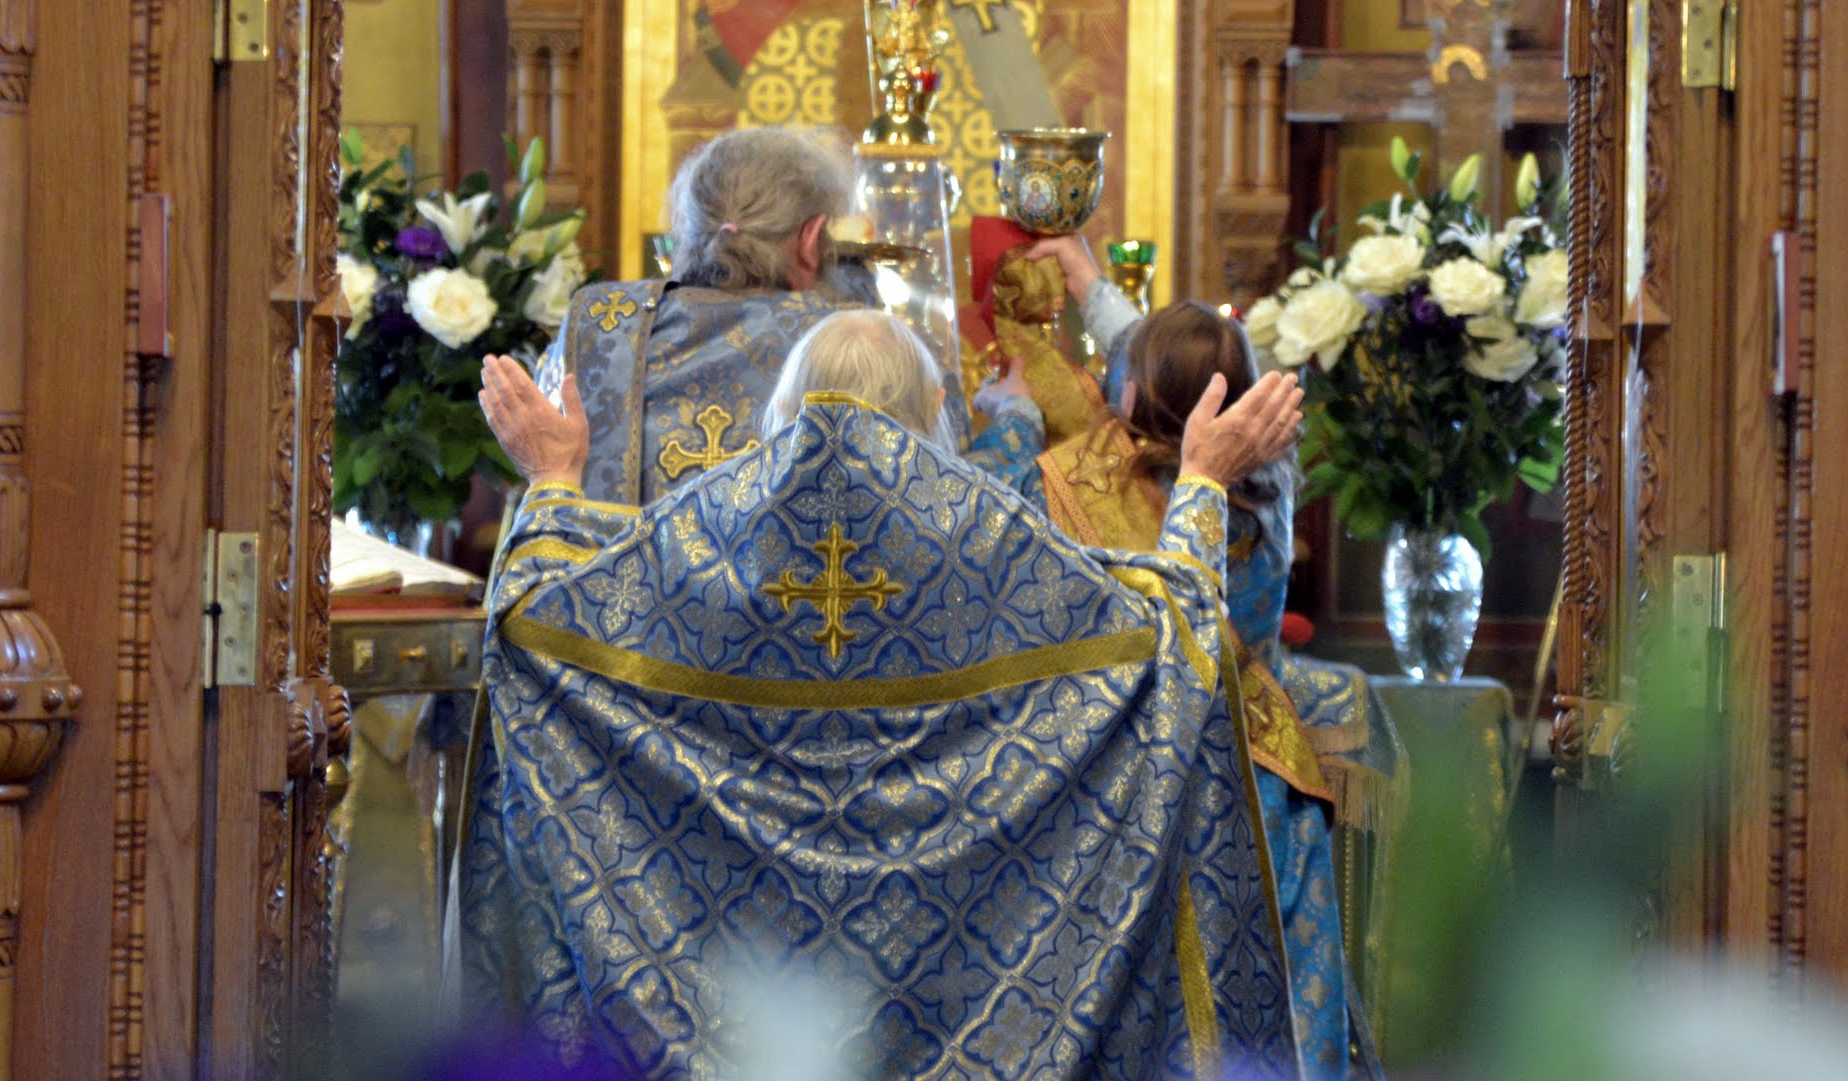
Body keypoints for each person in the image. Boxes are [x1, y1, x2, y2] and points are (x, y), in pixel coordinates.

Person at [461, 310, 1309, 1078]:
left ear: (780, 406)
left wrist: (554, 477)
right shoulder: (992, 541)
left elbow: (534, 623)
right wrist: (1201, 482)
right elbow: (1171, 632)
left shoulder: (704, 542)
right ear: (936, 406)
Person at [968, 234, 1389, 1081]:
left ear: (1127, 392)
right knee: (1278, 1008)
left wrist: (1013, 421)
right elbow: (1189, 384)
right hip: (1261, 783)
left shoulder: (1078, 482)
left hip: (1140, 789)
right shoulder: (1268, 481)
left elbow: (986, 520)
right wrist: (1098, 291)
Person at [535, 126, 968, 506]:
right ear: (810, 239)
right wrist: (1005, 419)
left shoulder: (601, 326)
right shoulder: (868, 343)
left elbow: (546, 504)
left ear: (688, 226)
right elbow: (949, 498)